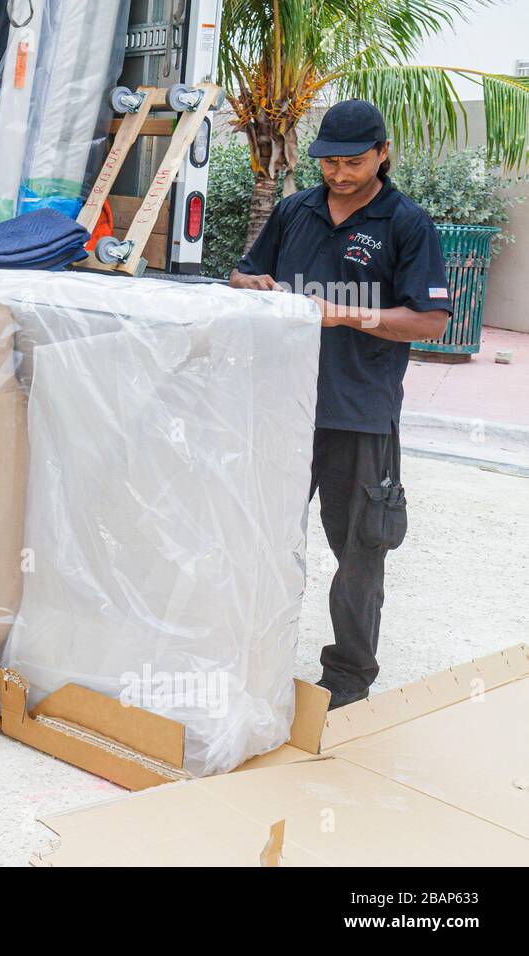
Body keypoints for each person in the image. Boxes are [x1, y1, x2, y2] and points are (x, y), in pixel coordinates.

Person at [230, 100, 451, 709]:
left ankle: (348, 678)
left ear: (383, 154)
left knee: (358, 549)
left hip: (357, 411)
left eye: (353, 162)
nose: (338, 174)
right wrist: (251, 284)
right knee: (258, 536)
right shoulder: (295, 210)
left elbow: (431, 319)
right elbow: (245, 274)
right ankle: (246, 651)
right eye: (329, 162)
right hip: (282, 406)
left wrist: (347, 314)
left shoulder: (406, 224)